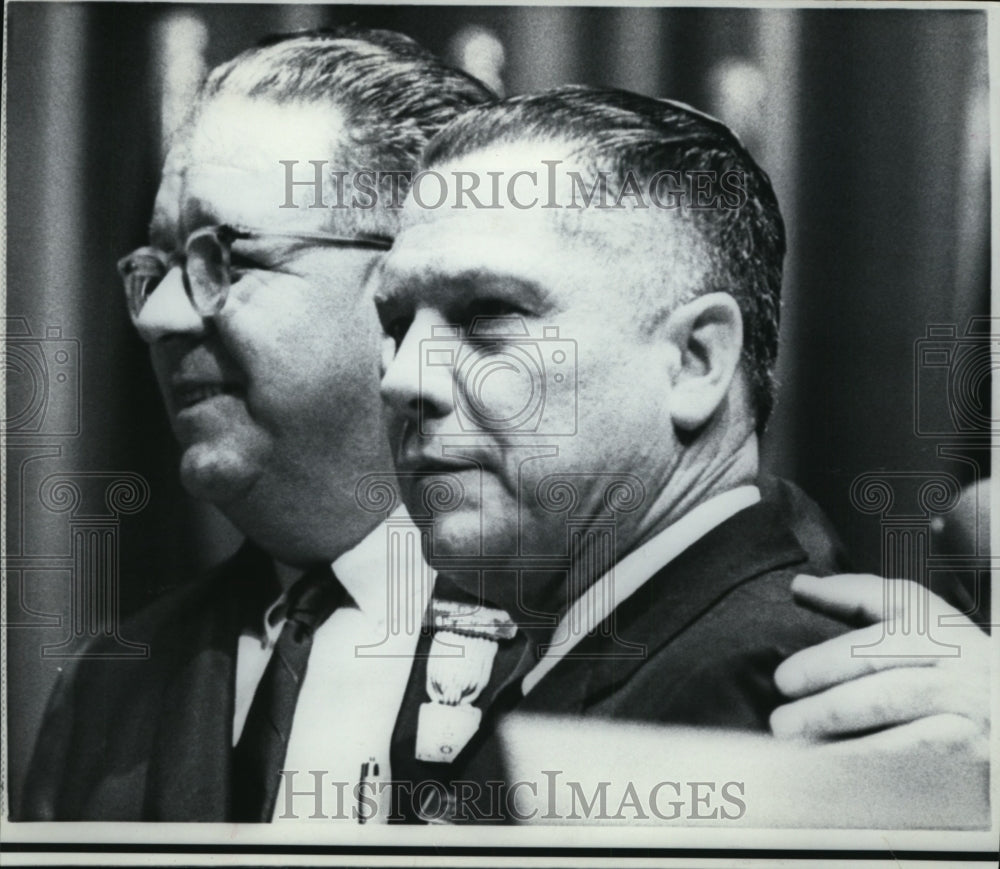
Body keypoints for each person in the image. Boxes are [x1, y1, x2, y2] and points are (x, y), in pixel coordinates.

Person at [375, 86, 990, 822]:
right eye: (396, 321)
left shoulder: (794, 702)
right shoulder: (603, 626)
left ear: (696, 361)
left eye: (489, 313)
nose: (403, 376)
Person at [19, 26, 494, 822]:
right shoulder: (106, 691)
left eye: (223, 260)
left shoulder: (594, 632)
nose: (161, 318)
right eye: (156, 269)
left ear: (410, 282)